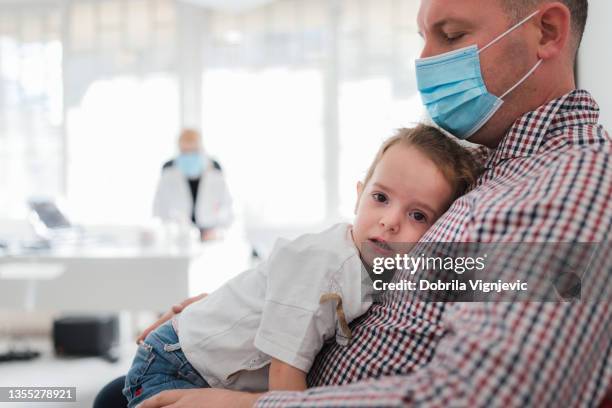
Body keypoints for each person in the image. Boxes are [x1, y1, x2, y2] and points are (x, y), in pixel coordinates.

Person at [96, 1, 611, 406]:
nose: (425, 61)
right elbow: (426, 284)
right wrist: (250, 308)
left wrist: (245, 405)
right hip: (249, 363)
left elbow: (480, 396)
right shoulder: (492, 167)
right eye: (424, 38)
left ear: (546, 32)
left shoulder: (565, 187)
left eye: (451, 36)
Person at [122, 126, 482, 408]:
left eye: (417, 215)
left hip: (204, 362)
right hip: (177, 365)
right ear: (358, 195)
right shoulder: (325, 266)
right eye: (380, 198)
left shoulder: (380, 267)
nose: (389, 221)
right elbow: (284, 376)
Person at [153, 129, 233, 240]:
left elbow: (228, 210)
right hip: (178, 238)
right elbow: (158, 210)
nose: (189, 155)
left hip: (210, 237)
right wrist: (170, 230)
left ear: (201, 149)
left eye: (194, 150)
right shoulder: (168, 174)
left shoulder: (215, 173)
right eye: (185, 151)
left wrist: (217, 231)